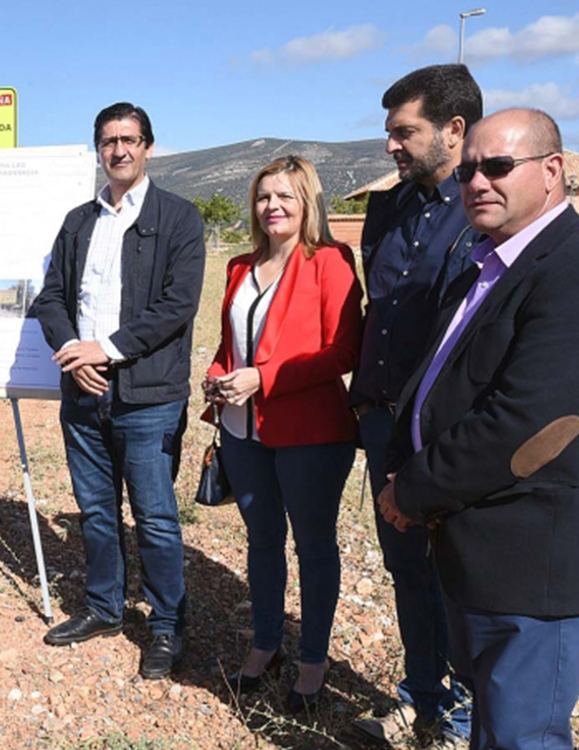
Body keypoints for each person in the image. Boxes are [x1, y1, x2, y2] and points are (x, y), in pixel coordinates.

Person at [379, 108, 579, 750]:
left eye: (497, 167)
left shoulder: (569, 271)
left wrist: (411, 491)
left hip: (529, 562)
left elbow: (525, 424)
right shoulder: (491, 264)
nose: (477, 183)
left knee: (522, 735)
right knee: (493, 729)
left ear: (552, 171)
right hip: (471, 545)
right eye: (468, 170)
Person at [29, 103, 206, 679]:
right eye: (108, 141)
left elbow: (177, 308)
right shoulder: (79, 220)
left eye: (129, 140)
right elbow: (52, 297)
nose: (119, 150)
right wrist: (74, 352)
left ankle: (165, 627)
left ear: (149, 146)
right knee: (97, 512)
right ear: (98, 150)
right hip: (83, 393)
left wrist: (105, 348)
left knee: (154, 517)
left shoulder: (179, 218)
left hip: (149, 397)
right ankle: (104, 609)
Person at [349, 64, 481, 748]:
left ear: (454, 130)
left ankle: (462, 715)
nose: (392, 146)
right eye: (389, 133)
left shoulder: (487, 209)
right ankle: (420, 695)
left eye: (405, 132)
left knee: (455, 574)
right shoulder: (388, 207)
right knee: (404, 568)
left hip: (446, 430)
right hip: (382, 421)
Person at [203, 156, 362, 712]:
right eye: (264, 196)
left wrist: (265, 379)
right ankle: (266, 641)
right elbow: (231, 345)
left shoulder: (330, 262)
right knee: (262, 541)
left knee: (314, 546)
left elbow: (344, 352)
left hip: (311, 433)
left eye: (285, 197)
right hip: (241, 432)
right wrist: (216, 377)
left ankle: (312, 660)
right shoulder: (239, 267)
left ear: (307, 203)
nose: (272, 206)